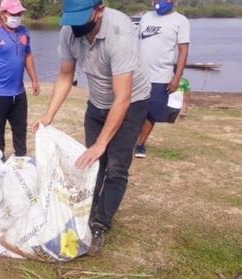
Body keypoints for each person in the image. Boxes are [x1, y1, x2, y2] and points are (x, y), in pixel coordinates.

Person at [32, 0, 150, 255]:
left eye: (81, 19)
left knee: (116, 167)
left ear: (99, 9)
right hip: (97, 102)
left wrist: (102, 143)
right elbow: (65, 76)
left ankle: (100, 224)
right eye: (71, 19)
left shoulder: (120, 33)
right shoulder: (69, 32)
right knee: (93, 163)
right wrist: (48, 115)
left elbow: (123, 98)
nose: (76, 26)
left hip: (130, 102)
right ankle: (88, 211)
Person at [0, 0, 40, 160]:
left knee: (21, 129)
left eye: (19, 13)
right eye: (14, 14)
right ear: (3, 14)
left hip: (19, 92)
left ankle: (21, 161)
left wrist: (34, 79)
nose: (17, 17)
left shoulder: (24, 32)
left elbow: (28, 56)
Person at [135, 0, 190, 158]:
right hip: (138, 73)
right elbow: (134, 42)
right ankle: (127, 140)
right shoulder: (146, 17)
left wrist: (177, 77)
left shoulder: (181, 21)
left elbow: (183, 50)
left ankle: (140, 144)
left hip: (161, 76)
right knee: (132, 110)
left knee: (152, 113)